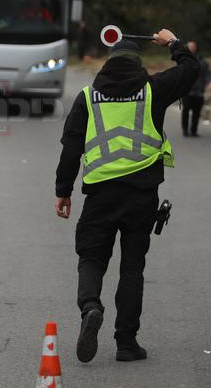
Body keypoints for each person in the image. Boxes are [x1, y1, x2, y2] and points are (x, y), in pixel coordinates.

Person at [54, 30, 198, 363]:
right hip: (141, 197)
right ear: (138, 64)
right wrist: (174, 43)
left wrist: (63, 191)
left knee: (91, 258)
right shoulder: (153, 91)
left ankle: (91, 307)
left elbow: (71, 147)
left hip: (100, 196)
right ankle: (126, 343)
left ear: (108, 63)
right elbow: (191, 70)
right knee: (132, 268)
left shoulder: (88, 97)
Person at [181, 40, 211, 137]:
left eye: (193, 46)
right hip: (187, 91)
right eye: (189, 46)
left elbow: (207, 74)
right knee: (186, 110)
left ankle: (194, 131)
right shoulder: (184, 60)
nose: (191, 48)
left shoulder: (202, 62)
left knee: (197, 112)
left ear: (196, 48)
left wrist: (210, 82)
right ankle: (185, 130)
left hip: (199, 91)